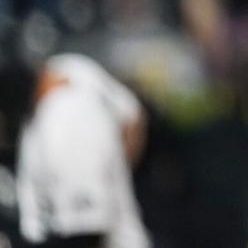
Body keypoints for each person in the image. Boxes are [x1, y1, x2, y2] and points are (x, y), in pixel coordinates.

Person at [0, 52, 150, 248]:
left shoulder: (65, 123)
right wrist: (113, 172)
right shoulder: (69, 68)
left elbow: (86, 233)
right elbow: (134, 115)